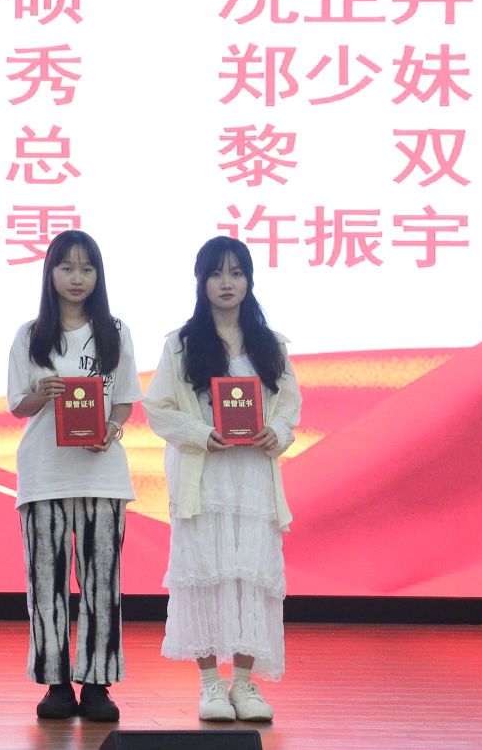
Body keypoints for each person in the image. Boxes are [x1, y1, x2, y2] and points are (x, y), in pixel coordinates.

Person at [143, 237, 300, 725]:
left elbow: (289, 407)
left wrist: (277, 432)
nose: (227, 283)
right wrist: (199, 433)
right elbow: (157, 409)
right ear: (201, 281)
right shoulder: (182, 344)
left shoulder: (270, 345)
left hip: (252, 478)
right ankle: (211, 684)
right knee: (205, 574)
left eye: (236, 272)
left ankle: (245, 685)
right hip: (203, 477)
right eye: (216, 273)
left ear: (250, 280)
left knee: (252, 575)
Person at [5, 230, 139, 723]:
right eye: (66, 267)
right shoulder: (30, 334)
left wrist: (111, 430)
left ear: (98, 275)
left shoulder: (116, 332)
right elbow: (18, 406)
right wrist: (41, 393)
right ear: (50, 274)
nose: (77, 278)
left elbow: (124, 400)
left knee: (103, 582)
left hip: (103, 475)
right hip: (44, 474)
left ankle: (98, 683)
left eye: (86, 268)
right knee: (47, 582)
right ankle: (56, 683)